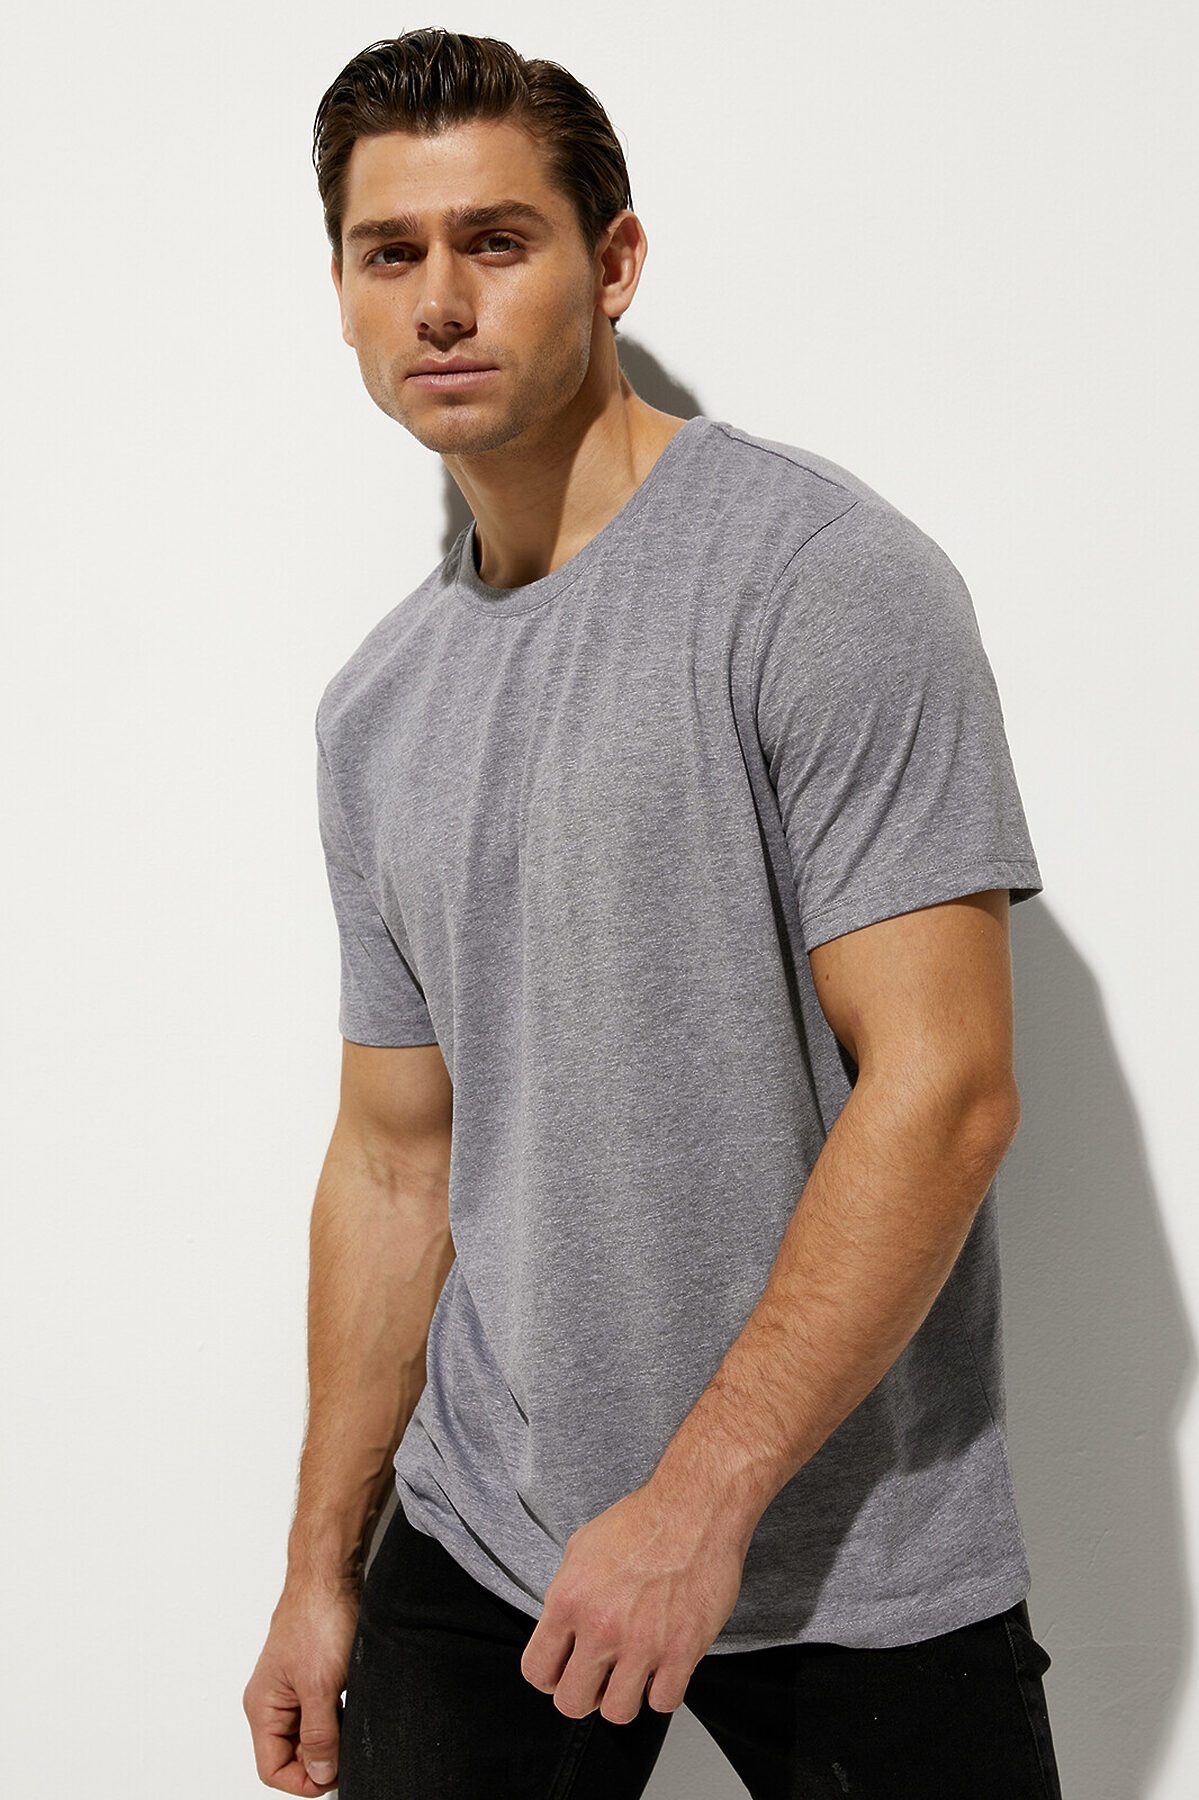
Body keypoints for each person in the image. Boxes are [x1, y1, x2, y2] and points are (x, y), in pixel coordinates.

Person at [242, 27, 1064, 1800]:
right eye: (390, 253)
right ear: (344, 294)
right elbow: (393, 1163)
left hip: (850, 1548)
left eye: (497, 240)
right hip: (488, 1531)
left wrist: (697, 1503)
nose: (439, 300)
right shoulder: (378, 711)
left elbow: (947, 1088)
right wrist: (319, 1571)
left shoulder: (817, 582)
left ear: (613, 262)